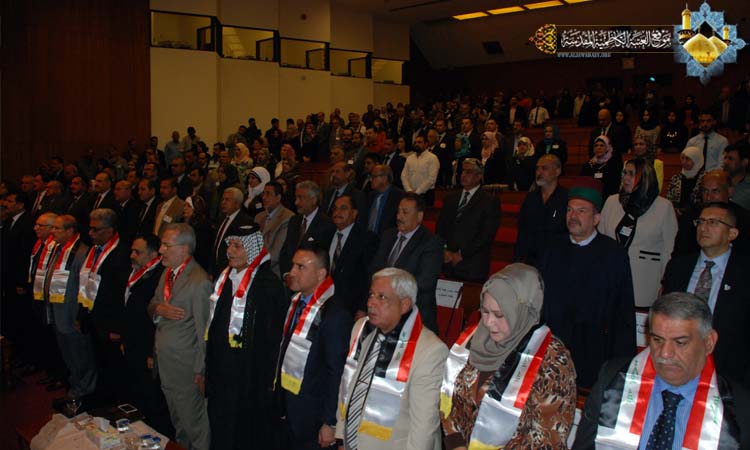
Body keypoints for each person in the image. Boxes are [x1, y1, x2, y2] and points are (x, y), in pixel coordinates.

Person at [573, 292, 748, 450]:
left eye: (680, 342)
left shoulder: (740, 410)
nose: (665, 353)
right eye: (657, 340)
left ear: (708, 342)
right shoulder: (613, 379)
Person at [441, 264, 577, 449]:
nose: (489, 323)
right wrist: (455, 442)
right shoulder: (473, 339)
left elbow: (548, 438)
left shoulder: (551, 359)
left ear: (523, 311)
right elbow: (450, 399)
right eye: (485, 312)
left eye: (499, 315)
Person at [336, 268, 448, 450]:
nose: (370, 303)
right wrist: (341, 437)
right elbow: (348, 385)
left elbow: (424, 428)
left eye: (382, 297)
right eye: (371, 295)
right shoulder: (361, 329)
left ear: (404, 305)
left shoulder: (430, 351)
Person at [538, 181, 636, 388]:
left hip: (593, 351)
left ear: (596, 219)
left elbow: (622, 313)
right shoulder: (552, 247)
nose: (573, 216)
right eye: (569, 210)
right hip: (552, 347)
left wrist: (620, 364)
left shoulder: (614, 255)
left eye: (581, 211)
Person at [205, 224, 288, 450]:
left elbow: (272, 340)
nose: (230, 251)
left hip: (250, 378)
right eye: (229, 245)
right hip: (221, 373)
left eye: (237, 246)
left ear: (252, 249)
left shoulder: (268, 285)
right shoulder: (224, 279)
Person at [662, 202, 750, 387]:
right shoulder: (678, 267)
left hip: (728, 369)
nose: (703, 228)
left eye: (713, 222)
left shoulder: (744, 272)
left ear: (732, 234)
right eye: (700, 222)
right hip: (676, 361)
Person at [273, 245, 352, 450]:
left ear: (321, 274)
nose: (292, 272)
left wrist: (330, 422)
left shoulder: (335, 314)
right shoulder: (295, 302)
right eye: (293, 265)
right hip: (289, 406)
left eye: (301, 267)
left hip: (313, 417)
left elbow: (337, 372)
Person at [148, 223, 212, 450]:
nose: (160, 250)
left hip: (187, 368)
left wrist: (201, 371)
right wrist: (159, 309)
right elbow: (153, 303)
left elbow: (204, 332)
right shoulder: (168, 273)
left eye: (166, 245)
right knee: (178, 422)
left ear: (184, 249)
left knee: (194, 424)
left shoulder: (199, 282)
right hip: (166, 363)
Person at [599, 159, 677, 307]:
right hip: (611, 276)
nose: (626, 178)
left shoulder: (664, 206)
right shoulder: (612, 201)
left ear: (645, 178)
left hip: (645, 280)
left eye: (632, 174)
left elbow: (669, 250)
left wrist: (666, 283)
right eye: (624, 173)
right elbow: (600, 241)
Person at [369, 193, 443, 333]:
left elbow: (425, 281)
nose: (399, 217)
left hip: (414, 317)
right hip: (383, 312)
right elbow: (375, 269)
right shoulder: (388, 235)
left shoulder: (431, 242)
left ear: (419, 216)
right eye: (398, 211)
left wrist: (390, 295)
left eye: (405, 212)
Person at [80, 208, 131, 402]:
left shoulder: (121, 253)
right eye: (90, 228)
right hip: (93, 316)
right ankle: (101, 397)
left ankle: (115, 402)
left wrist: (117, 327)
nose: (90, 233)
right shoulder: (93, 250)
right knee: (99, 361)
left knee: (114, 366)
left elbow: (120, 294)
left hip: (110, 322)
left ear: (110, 230)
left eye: (96, 229)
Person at [120, 233, 169, 432]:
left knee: (151, 395)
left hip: (147, 344)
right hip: (133, 340)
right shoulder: (137, 271)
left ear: (153, 253)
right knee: (136, 387)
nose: (132, 255)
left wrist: (152, 351)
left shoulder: (160, 275)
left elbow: (157, 319)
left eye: (137, 252)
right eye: (132, 251)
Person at [45, 214, 97, 399]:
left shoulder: (82, 253)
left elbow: (85, 287)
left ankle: (85, 391)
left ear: (70, 231)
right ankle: (75, 386)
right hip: (57, 311)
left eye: (57, 228)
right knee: (68, 354)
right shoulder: (58, 248)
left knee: (80, 355)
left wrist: (80, 316)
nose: (52, 231)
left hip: (72, 314)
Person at [436, 158, 501, 282]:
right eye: (463, 171)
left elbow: (486, 235)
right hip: (448, 263)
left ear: (479, 176)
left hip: (472, 265)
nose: (463, 175)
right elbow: (440, 227)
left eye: (469, 172)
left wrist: (461, 254)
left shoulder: (489, 201)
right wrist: (444, 250)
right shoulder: (451, 198)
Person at [328, 194, 378, 317]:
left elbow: (369, 276)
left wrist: (363, 307)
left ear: (354, 213)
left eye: (343, 208)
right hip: (323, 301)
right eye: (335, 208)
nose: (337, 212)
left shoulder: (366, 239)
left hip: (350, 308)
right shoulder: (326, 234)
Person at [514, 155, 568, 266]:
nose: (539, 172)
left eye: (544, 168)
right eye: (537, 168)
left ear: (557, 171)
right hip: (530, 260)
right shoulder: (531, 198)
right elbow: (522, 229)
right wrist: (518, 259)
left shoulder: (566, 198)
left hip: (556, 260)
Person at [278, 180, 336, 277]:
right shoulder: (294, 220)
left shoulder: (326, 224)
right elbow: (285, 251)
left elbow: (322, 259)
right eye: (296, 197)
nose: (296, 202)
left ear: (314, 200)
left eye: (301, 198)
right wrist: (286, 274)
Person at [254, 181, 295, 278]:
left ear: (278, 197)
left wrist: (254, 267)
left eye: (268, 194)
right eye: (263, 194)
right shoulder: (259, 217)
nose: (264, 197)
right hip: (254, 267)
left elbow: (276, 254)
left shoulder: (288, 218)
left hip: (272, 272)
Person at [211, 187, 254, 278]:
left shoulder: (244, 222)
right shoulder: (221, 219)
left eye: (227, 200)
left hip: (232, 272)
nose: (223, 202)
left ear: (237, 203)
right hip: (216, 271)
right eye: (223, 199)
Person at [366, 164, 405, 237]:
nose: (371, 180)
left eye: (374, 176)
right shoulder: (370, 195)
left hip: (387, 239)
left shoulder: (399, 197)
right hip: (367, 238)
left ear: (385, 178)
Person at [666, 146, 705, 217]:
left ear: (696, 160)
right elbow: (669, 198)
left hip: (698, 216)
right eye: (682, 158)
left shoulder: (704, 179)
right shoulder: (676, 178)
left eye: (687, 159)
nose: (684, 162)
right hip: (677, 216)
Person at [401, 135, 439, 206]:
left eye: (419, 142)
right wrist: (408, 190)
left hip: (426, 194)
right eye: (415, 142)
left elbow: (432, 179)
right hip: (410, 194)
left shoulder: (432, 158)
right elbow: (403, 176)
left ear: (426, 144)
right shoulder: (409, 158)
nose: (416, 144)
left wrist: (417, 192)